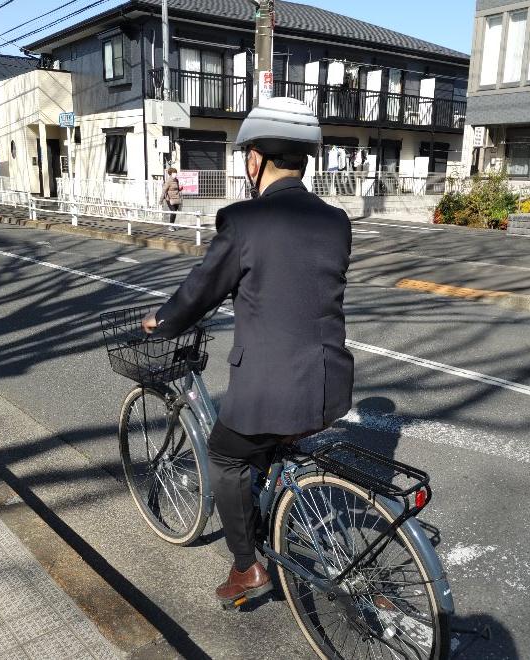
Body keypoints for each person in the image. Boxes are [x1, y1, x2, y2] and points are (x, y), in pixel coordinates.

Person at [142, 97, 354, 607]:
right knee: (266, 448)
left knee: (224, 455)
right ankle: (275, 521)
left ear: (255, 159)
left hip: (271, 388)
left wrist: (162, 321)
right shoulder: (336, 220)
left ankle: (246, 568)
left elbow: (201, 290)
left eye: (246, 156)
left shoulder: (245, 221)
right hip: (328, 385)